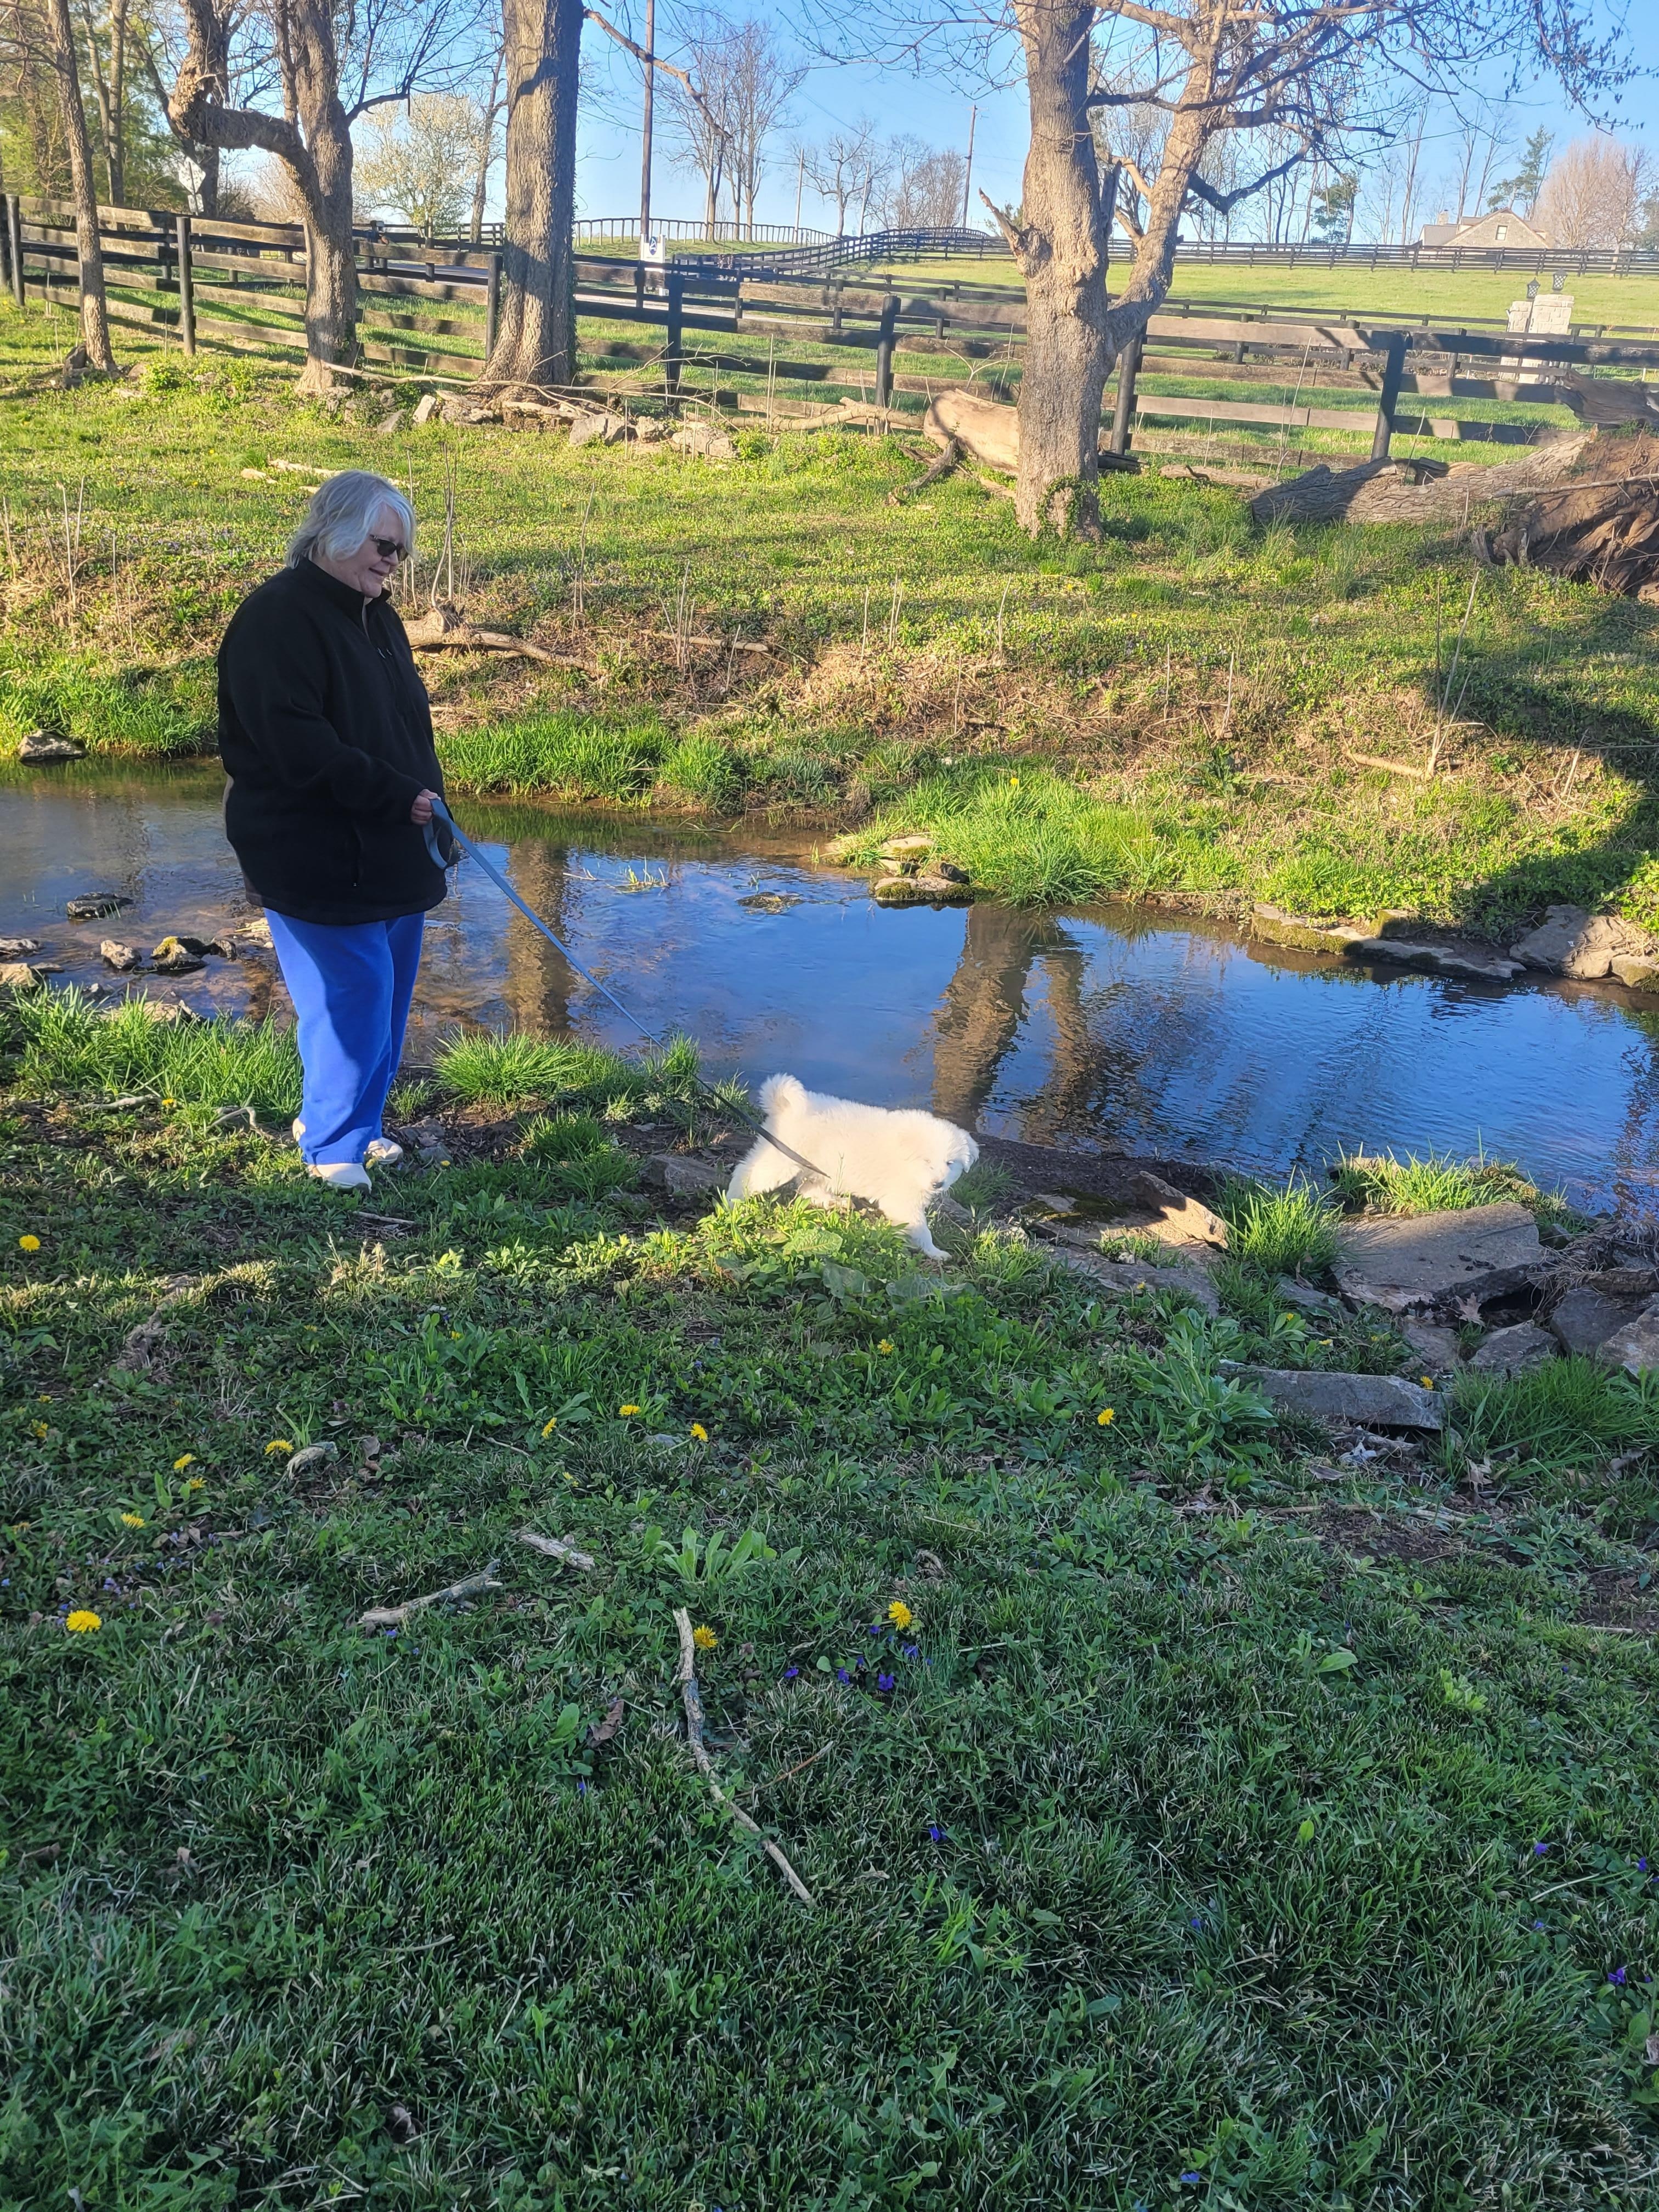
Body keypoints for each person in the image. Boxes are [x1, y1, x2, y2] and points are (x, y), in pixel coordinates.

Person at [218, 470, 453, 1191]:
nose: (391, 562)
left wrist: (435, 811)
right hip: (311, 853)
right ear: (335, 532)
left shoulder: (374, 614)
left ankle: (359, 1124)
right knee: (350, 1001)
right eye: (384, 546)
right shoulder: (275, 619)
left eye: (401, 553)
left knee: (385, 1001)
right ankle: (329, 1147)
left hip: (392, 848)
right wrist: (394, 796)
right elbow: (296, 748)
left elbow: (406, 729)